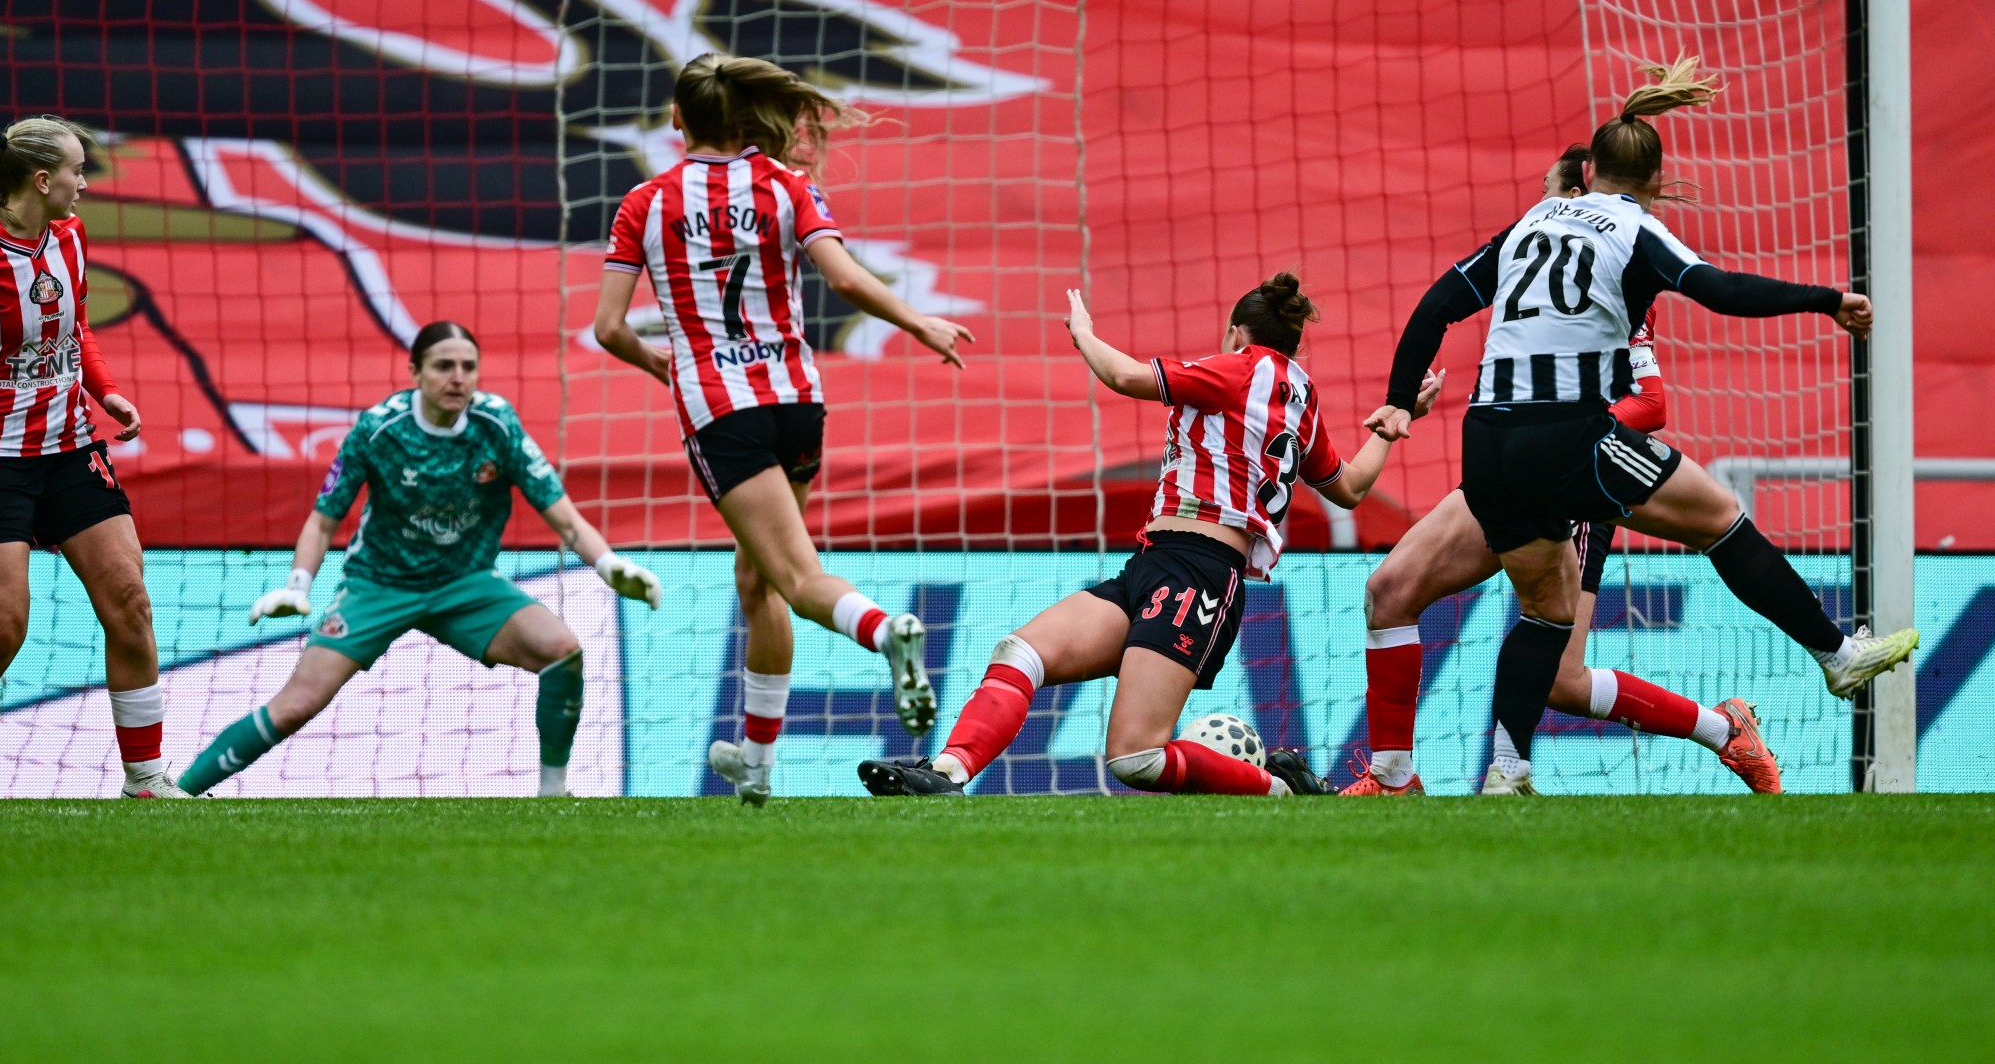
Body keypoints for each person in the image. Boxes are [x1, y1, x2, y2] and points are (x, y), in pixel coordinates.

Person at [1365, 57, 1918, 797]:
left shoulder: (1531, 221)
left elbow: (1437, 304)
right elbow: (1719, 290)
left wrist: (1401, 398)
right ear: (1655, 179)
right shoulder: (1635, 230)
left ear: (1587, 169)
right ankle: (1835, 653)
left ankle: (1506, 770)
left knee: (1545, 609)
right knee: (1718, 517)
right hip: (1567, 438)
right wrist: (1825, 300)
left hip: (1484, 443)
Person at [858, 274, 1443, 798]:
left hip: (1199, 575)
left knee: (1135, 757)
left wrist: (1083, 333)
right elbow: (1350, 487)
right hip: (1155, 563)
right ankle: (946, 774)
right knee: (1023, 651)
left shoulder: (1239, 369)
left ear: (1238, 334)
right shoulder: (1302, 399)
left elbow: (1122, 375)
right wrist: (1397, 421)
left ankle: (1277, 789)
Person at [593, 54, 974, 807]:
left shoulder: (646, 201)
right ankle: (759, 765)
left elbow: (608, 328)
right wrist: (919, 321)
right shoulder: (785, 185)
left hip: (721, 409)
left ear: (679, 120)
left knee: (797, 580)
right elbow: (846, 279)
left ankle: (881, 632)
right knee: (755, 575)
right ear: (743, 118)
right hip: (796, 399)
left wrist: (661, 366)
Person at [1347, 146, 1779, 797]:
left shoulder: (1608, 275)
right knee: (1390, 592)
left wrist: (1577, 430)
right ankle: (1394, 777)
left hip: (1574, 477)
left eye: (1549, 192)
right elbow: (1441, 309)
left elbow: (1653, 402)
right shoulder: (1536, 267)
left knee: (1561, 680)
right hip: (1507, 470)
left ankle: (1722, 731)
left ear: (1575, 192)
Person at [177, 322, 659, 797]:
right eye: (444, 366)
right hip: (379, 584)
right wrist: (297, 586)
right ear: (415, 372)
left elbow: (567, 520)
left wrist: (609, 566)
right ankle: (177, 794)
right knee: (296, 705)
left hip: (466, 583)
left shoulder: (498, 425)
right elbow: (324, 519)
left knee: (562, 650)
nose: (458, 378)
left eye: (468, 367)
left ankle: (554, 793)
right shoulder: (379, 428)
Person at [0, 117, 184, 798]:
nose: (84, 184)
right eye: (76, 172)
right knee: (1, 628)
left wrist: (106, 391)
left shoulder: (71, 239)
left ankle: (146, 781)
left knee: (130, 602)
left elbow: (76, 326)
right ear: (41, 180)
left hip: (70, 450)